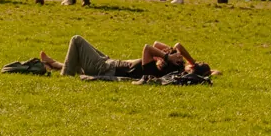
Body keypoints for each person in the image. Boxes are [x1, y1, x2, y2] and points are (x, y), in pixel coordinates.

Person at [38, 36, 212, 79]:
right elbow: (173, 45)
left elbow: (148, 48)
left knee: (76, 40)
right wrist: (193, 63)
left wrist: (167, 56)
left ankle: (64, 76)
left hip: (106, 67)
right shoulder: (176, 66)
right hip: (110, 62)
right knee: (80, 62)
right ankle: (52, 63)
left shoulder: (164, 68)